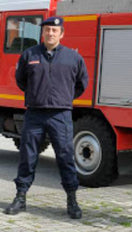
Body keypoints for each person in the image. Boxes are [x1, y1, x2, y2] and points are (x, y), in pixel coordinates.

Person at [5, 16, 88, 219]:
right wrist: (37, 95)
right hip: (35, 113)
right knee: (28, 156)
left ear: (62, 34)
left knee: (65, 157)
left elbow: (81, 84)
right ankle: (21, 197)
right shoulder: (29, 54)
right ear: (42, 33)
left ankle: (72, 200)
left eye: (54, 30)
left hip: (61, 114)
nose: (50, 33)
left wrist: (64, 98)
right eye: (47, 30)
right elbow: (21, 80)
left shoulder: (73, 57)